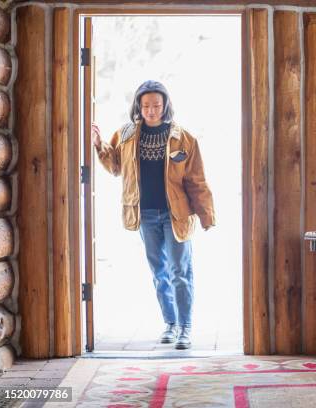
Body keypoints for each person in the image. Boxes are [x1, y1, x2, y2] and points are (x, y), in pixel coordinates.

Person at [91, 80, 215, 350]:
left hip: (177, 216)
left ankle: (185, 328)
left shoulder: (184, 138)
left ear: (165, 105)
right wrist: (99, 144)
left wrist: (206, 215)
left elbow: (197, 180)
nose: (151, 110)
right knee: (159, 272)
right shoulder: (125, 134)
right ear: (138, 106)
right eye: (146, 105)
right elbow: (114, 167)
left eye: (156, 105)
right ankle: (169, 324)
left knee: (180, 271)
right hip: (144, 214)